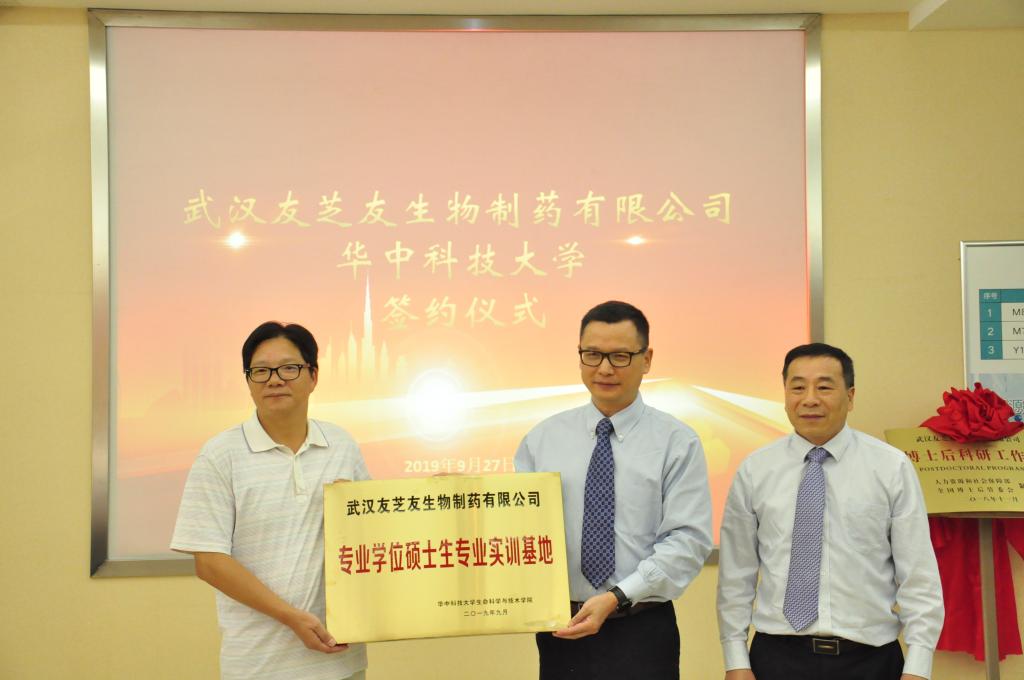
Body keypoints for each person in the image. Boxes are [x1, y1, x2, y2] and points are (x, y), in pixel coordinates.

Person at [716, 343, 944, 680]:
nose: (809, 399)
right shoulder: (755, 470)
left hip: (870, 661)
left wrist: (919, 667)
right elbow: (736, 575)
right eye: (798, 387)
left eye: (824, 387)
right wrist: (736, 660)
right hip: (777, 658)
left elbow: (918, 575)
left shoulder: (890, 467)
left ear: (850, 397)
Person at [515, 300, 713, 679]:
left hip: (642, 628)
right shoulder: (542, 439)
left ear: (647, 359)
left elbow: (687, 542)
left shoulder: (676, 442)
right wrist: (460, 499)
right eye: (592, 354)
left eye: (620, 356)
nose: (604, 368)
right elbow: (517, 527)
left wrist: (616, 597)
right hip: (563, 628)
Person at [171, 321, 370, 680]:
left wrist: (434, 497)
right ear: (248, 381)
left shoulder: (341, 445)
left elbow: (373, 528)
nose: (274, 380)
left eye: (288, 368)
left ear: (313, 376)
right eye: (260, 371)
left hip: (342, 662)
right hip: (259, 666)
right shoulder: (220, 455)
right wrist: (290, 617)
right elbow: (209, 562)